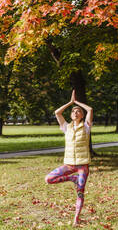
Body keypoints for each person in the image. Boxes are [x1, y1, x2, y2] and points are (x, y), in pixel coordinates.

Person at [45, 90, 93, 226]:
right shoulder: (66, 127)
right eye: (73, 111)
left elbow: (90, 109)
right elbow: (57, 113)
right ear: (71, 115)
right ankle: (72, 178)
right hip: (69, 164)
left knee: (80, 193)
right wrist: (70, 103)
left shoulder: (86, 126)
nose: (75, 112)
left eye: (78, 111)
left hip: (83, 165)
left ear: (82, 115)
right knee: (48, 179)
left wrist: (77, 102)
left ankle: (76, 219)